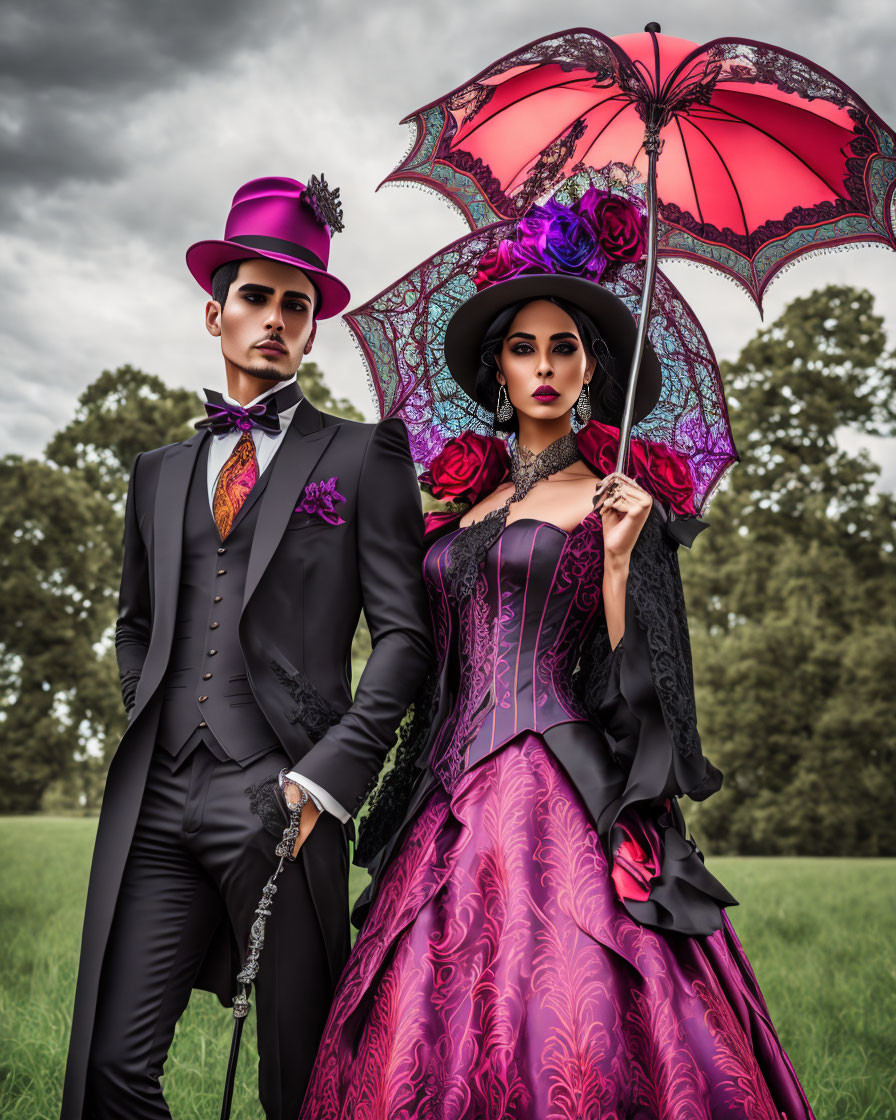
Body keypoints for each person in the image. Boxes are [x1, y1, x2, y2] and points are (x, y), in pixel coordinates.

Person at [299, 266, 816, 1117]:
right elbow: (423, 663)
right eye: (522, 348)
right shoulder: (467, 505)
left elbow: (635, 688)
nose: (544, 365)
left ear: (589, 369)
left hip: (553, 779)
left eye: (564, 348)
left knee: (570, 1007)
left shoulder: (617, 504)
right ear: (497, 371)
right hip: (444, 788)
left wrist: (616, 562)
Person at [60, 175, 432, 1119]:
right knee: (110, 1070)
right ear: (214, 312)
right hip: (158, 795)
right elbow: (134, 622)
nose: (274, 318)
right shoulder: (156, 474)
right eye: (256, 297)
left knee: (297, 1086)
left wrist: (326, 778)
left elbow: (402, 638)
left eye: (295, 306)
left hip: (285, 798)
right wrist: (151, 710)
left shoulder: (363, 456)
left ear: (312, 330)